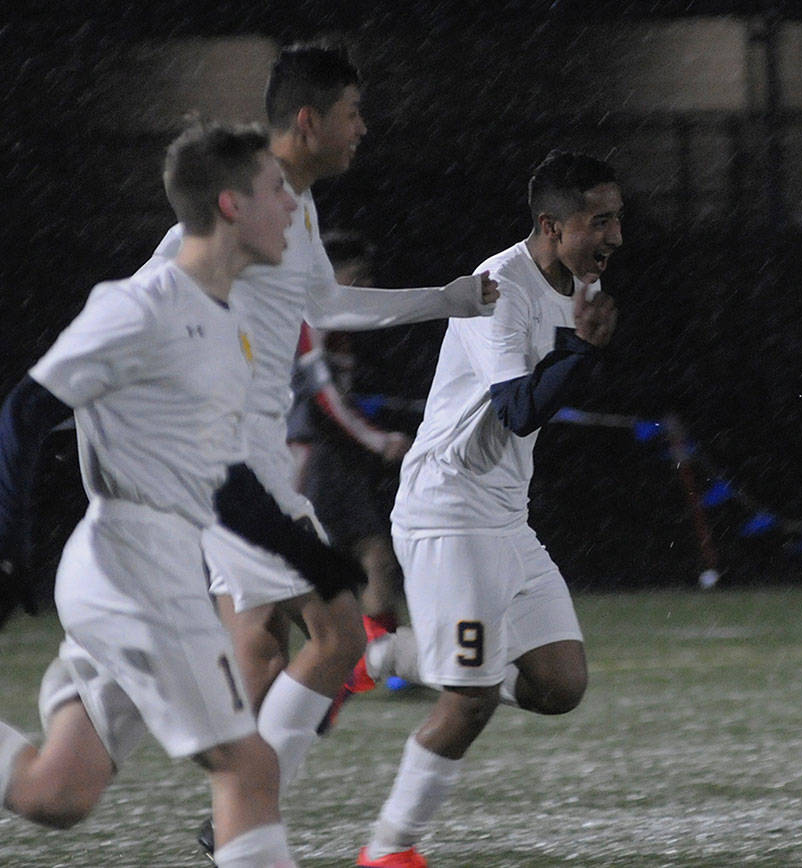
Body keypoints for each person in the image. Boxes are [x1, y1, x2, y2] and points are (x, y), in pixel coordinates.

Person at [140, 42, 498, 837]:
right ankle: (244, 810)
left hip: (247, 455)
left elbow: (327, 306)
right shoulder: (241, 194)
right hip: (231, 460)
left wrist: (446, 299)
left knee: (263, 647)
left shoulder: (294, 204)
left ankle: (226, 800)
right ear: (308, 122)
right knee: (337, 633)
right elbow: (155, 282)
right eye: (351, 115)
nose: (362, 129)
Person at [0, 122, 363, 868]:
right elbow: (24, 412)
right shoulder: (142, 305)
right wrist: (8, 548)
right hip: (128, 567)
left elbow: (221, 479)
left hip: (161, 568)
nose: (292, 210)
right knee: (250, 768)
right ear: (231, 206)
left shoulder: (226, 324)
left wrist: (309, 557)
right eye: (275, 194)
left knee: (56, 794)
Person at [354, 150, 621, 868]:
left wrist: (578, 348)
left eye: (616, 219)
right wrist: (584, 352)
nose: (615, 237)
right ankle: (388, 849)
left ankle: (387, 652)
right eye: (600, 221)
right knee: (468, 703)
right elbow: (519, 407)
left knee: (559, 685)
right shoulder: (498, 286)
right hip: (448, 512)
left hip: (503, 516)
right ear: (550, 225)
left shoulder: (572, 284)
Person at [285, 231, 415, 727]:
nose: (365, 286)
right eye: (356, 278)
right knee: (307, 584)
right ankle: (332, 679)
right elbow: (324, 401)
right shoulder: (311, 320)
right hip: (310, 460)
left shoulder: (334, 326)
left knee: (375, 559)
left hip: (332, 460)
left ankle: (370, 671)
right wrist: (378, 441)